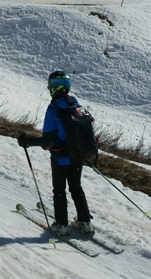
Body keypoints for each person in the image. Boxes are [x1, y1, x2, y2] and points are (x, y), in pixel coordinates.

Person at [17, 71, 94, 237]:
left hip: (61, 158)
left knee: (59, 191)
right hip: (78, 157)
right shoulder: (76, 105)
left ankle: (61, 225)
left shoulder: (53, 110)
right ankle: (84, 222)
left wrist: (27, 141)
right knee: (76, 188)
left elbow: (47, 141)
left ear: (53, 87)